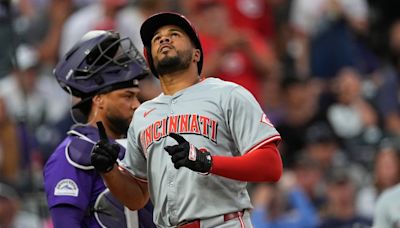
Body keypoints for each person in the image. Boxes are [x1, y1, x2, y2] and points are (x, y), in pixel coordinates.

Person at [91, 12, 283, 227]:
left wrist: (207, 162)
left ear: (196, 54)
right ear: (151, 61)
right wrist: (109, 171)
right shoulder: (143, 115)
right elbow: (137, 197)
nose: (164, 39)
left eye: (175, 34)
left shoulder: (228, 94)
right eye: (157, 38)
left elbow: (271, 166)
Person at [43, 30, 155, 228]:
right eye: (127, 96)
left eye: (137, 96)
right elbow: (65, 223)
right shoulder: (73, 153)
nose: (137, 105)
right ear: (99, 99)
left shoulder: (137, 145)